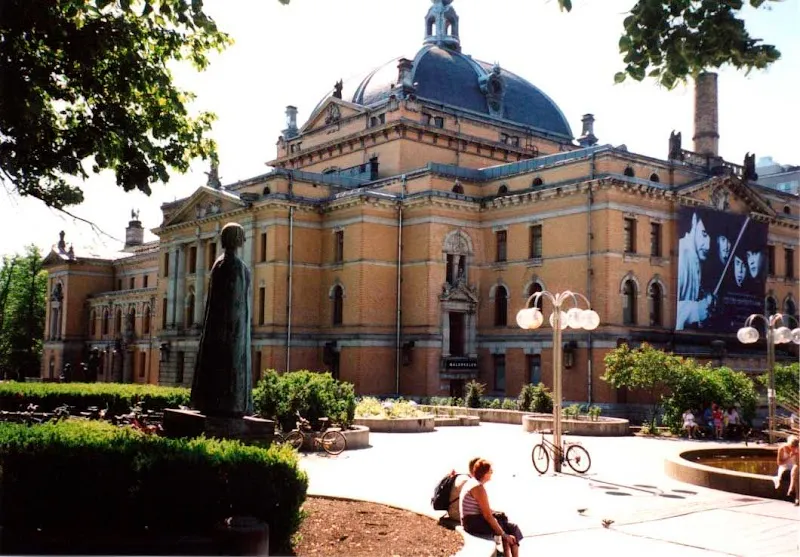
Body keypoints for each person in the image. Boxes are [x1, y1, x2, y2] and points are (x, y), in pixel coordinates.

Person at [191, 223, 253, 417]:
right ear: (236, 239)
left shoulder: (219, 264)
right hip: (232, 329)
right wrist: (237, 330)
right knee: (230, 368)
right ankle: (230, 405)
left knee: (216, 367)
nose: (244, 240)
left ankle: (216, 402)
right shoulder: (234, 266)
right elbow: (235, 302)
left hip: (219, 330)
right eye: (241, 236)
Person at [460, 458, 522, 557]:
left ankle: (507, 554)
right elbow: (488, 516)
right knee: (511, 528)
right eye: (490, 471)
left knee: (504, 520)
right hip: (473, 523)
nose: (492, 473)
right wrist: (504, 535)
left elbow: (485, 510)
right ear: (484, 474)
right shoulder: (478, 488)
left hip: (471, 520)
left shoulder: (473, 482)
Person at [677, 211, 714, 330]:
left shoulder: (696, 259)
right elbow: (671, 309)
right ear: (694, 221)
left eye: (711, 238)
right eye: (704, 234)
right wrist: (697, 309)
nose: (708, 245)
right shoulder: (682, 253)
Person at [446, 457, 480, 522]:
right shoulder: (469, 482)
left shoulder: (462, 477)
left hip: (452, 512)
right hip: (458, 515)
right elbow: (479, 506)